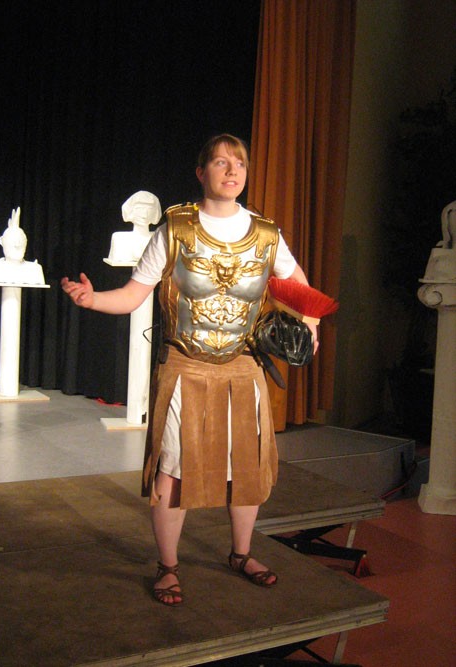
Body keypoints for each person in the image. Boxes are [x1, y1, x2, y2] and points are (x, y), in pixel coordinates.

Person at [61, 134, 318, 606]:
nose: (232, 171)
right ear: (201, 172)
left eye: (239, 163)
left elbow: (300, 290)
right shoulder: (175, 229)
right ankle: (168, 566)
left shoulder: (266, 235)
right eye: (221, 162)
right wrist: (92, 299)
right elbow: (133, 294)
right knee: (173, 471)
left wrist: (312, 325)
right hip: (186, 365)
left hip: (243, 365)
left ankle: (241, 554)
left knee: (247, 466)